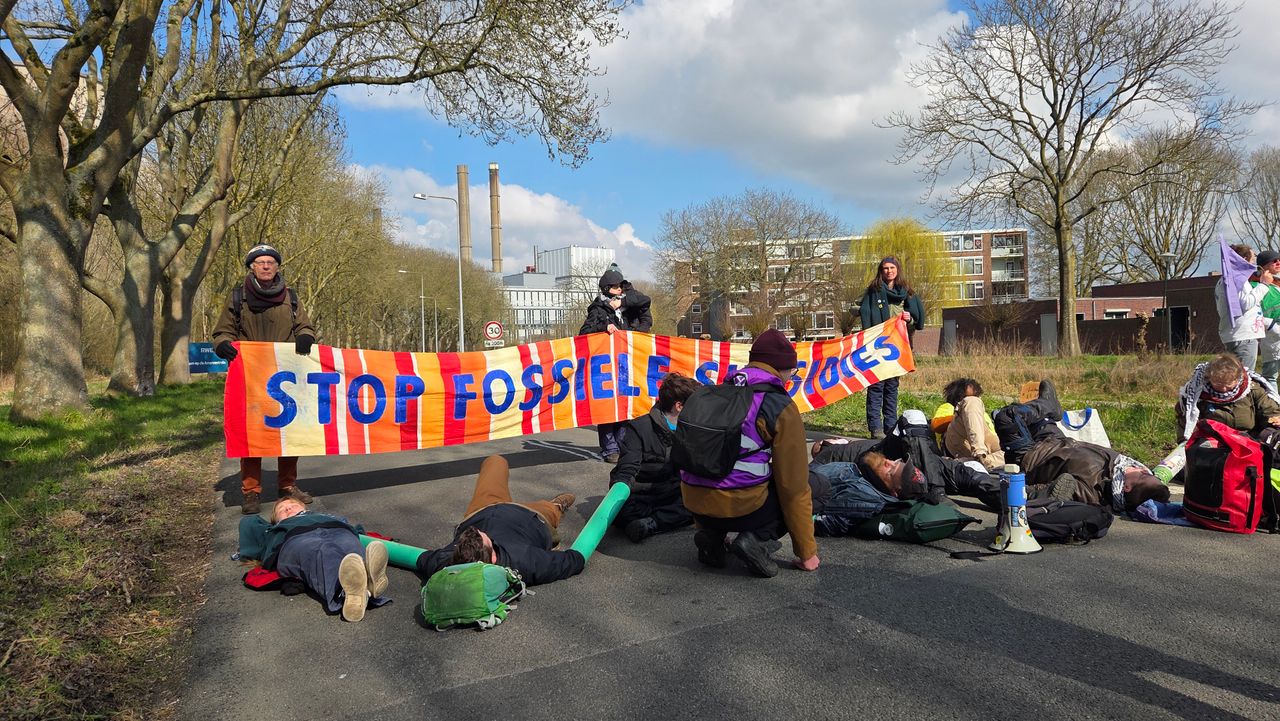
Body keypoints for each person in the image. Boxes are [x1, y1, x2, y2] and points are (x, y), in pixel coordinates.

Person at [679, 329, 819, 578]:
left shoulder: (716, 393)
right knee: (818, 484)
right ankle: (756, 541)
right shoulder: (779, 405)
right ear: (782, 369)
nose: (791, 377)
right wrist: (806, 553)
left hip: (697, 506)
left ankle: (713, 537)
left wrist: (704, 522)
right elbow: (794, 488)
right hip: (741, 508)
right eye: (793, 371)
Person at [213, 244, 318, 515]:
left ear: (277, 267)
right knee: (253, 434)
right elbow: (222, 331)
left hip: (286, 375)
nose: (266, 266)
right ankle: (251, 491)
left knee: (289, 433)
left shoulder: (291, 298)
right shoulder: (238, 297)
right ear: (252, 267)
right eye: (260, 262)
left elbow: (304, 325)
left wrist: (306, 336)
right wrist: (223, 344)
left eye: (271, 262)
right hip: (251, 375)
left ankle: (287, 486)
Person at [991, 381, 1170, 512]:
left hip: (1029, 457)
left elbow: (1051, 492)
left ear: (1126, 487)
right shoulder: (1122, 465)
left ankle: (1047, 406)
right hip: (1055, 440)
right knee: (1039, 416)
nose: (1144, 470)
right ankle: (1047, 408)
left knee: (1007, 417)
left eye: (1144, 476)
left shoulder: (1091, 493)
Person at [416, 455, 583, 586]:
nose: (481, 532)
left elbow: (422, 558)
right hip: (530, 517)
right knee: (550, 510)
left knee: (495, 461)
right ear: (493, 557)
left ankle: (496, 463)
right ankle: (557, 506)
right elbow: (572, 561)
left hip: (482, 509)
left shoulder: (446, 561)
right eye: (485, 538)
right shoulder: (524, 561)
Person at [238, 498, 390, 622]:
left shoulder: (326, 516)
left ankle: (364, 585)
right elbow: (249, 523)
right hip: (295, 539)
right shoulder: (273, 529)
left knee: (351, 550)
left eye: (293, 504)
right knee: (324, 551)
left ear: (305, 508)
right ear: (275, 520)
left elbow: (354, 529)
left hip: (336, 529)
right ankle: (345, 592)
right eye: (281, 509)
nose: (288, 508)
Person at [609, 372, 701, 543]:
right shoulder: (638, 427)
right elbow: (627, 470)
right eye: (694, 405)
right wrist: (617, 493)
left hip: (674, 493)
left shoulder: (693, 429)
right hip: (641, 494)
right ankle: (652, 521)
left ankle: (651, 523)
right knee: (619, 511)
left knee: (703, 503)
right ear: (679, 406)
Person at [579, 264, 653, 463]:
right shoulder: (597, 309)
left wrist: (639, 330)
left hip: (624, 366)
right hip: (604, 368)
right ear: (605, 289)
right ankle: (609, 448)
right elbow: (584, 332)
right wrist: (605, 326)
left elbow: (645, 301)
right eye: (614, 287)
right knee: (607, 408)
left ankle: (622, 444)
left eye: (620, 286)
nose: (619, 289)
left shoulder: (626, 305)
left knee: (624, 405)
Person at [858, 256, 924, 439]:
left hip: (897, 347)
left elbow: (917, 317)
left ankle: (890, 427)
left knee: (892, 387)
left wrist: (909, 318)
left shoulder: (907, 292)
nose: (889, 271)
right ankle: (876, 428)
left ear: (897, 270)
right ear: (881, 270)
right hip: (877, 346)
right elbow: (864, 312)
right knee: (876, 386)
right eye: (885, 268)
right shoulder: (874, 291)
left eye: (892, 268)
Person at [1176, 354, 1280, 442]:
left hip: (1250, 439)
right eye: (1218, 383)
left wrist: (1274, 419)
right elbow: (1185, 423)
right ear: (1209, 378)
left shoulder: (1252, 390)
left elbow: (1269, 410)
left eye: (1229, 384)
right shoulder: (1196, 395)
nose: (1224, 389)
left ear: (1238, 378)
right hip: (1214, 442)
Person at [1216, 243, 1270, 372]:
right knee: (1244, 379)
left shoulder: (1227, 279)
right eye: (1253, 257)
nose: (1254, 261)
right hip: (1243, 337)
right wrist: (1264, 285)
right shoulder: (1237, 279)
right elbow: (1245, 303)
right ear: (1245, 259)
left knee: (1236, 378)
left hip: (1237, 335)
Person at [931, 377, 1004, 471]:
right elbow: (936, 425)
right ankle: (979, 455)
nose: (977, 399)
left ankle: (971, 462)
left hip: (987, 449)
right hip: (959, 444)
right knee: (971, 403)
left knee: (1013, 454)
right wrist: (962, 415)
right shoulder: (949, 407)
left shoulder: (981, 411)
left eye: (976, 396)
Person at [1255, 250, 1280, 387]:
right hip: (1273, 337)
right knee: (1270, 377)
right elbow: (1253, 312)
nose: (1278, 263)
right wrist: (1272, 326)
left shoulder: (1276, 284)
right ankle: (1274, 407)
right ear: (1264, 265)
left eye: (1279, 260)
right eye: (1274, 260)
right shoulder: (1255, 285)